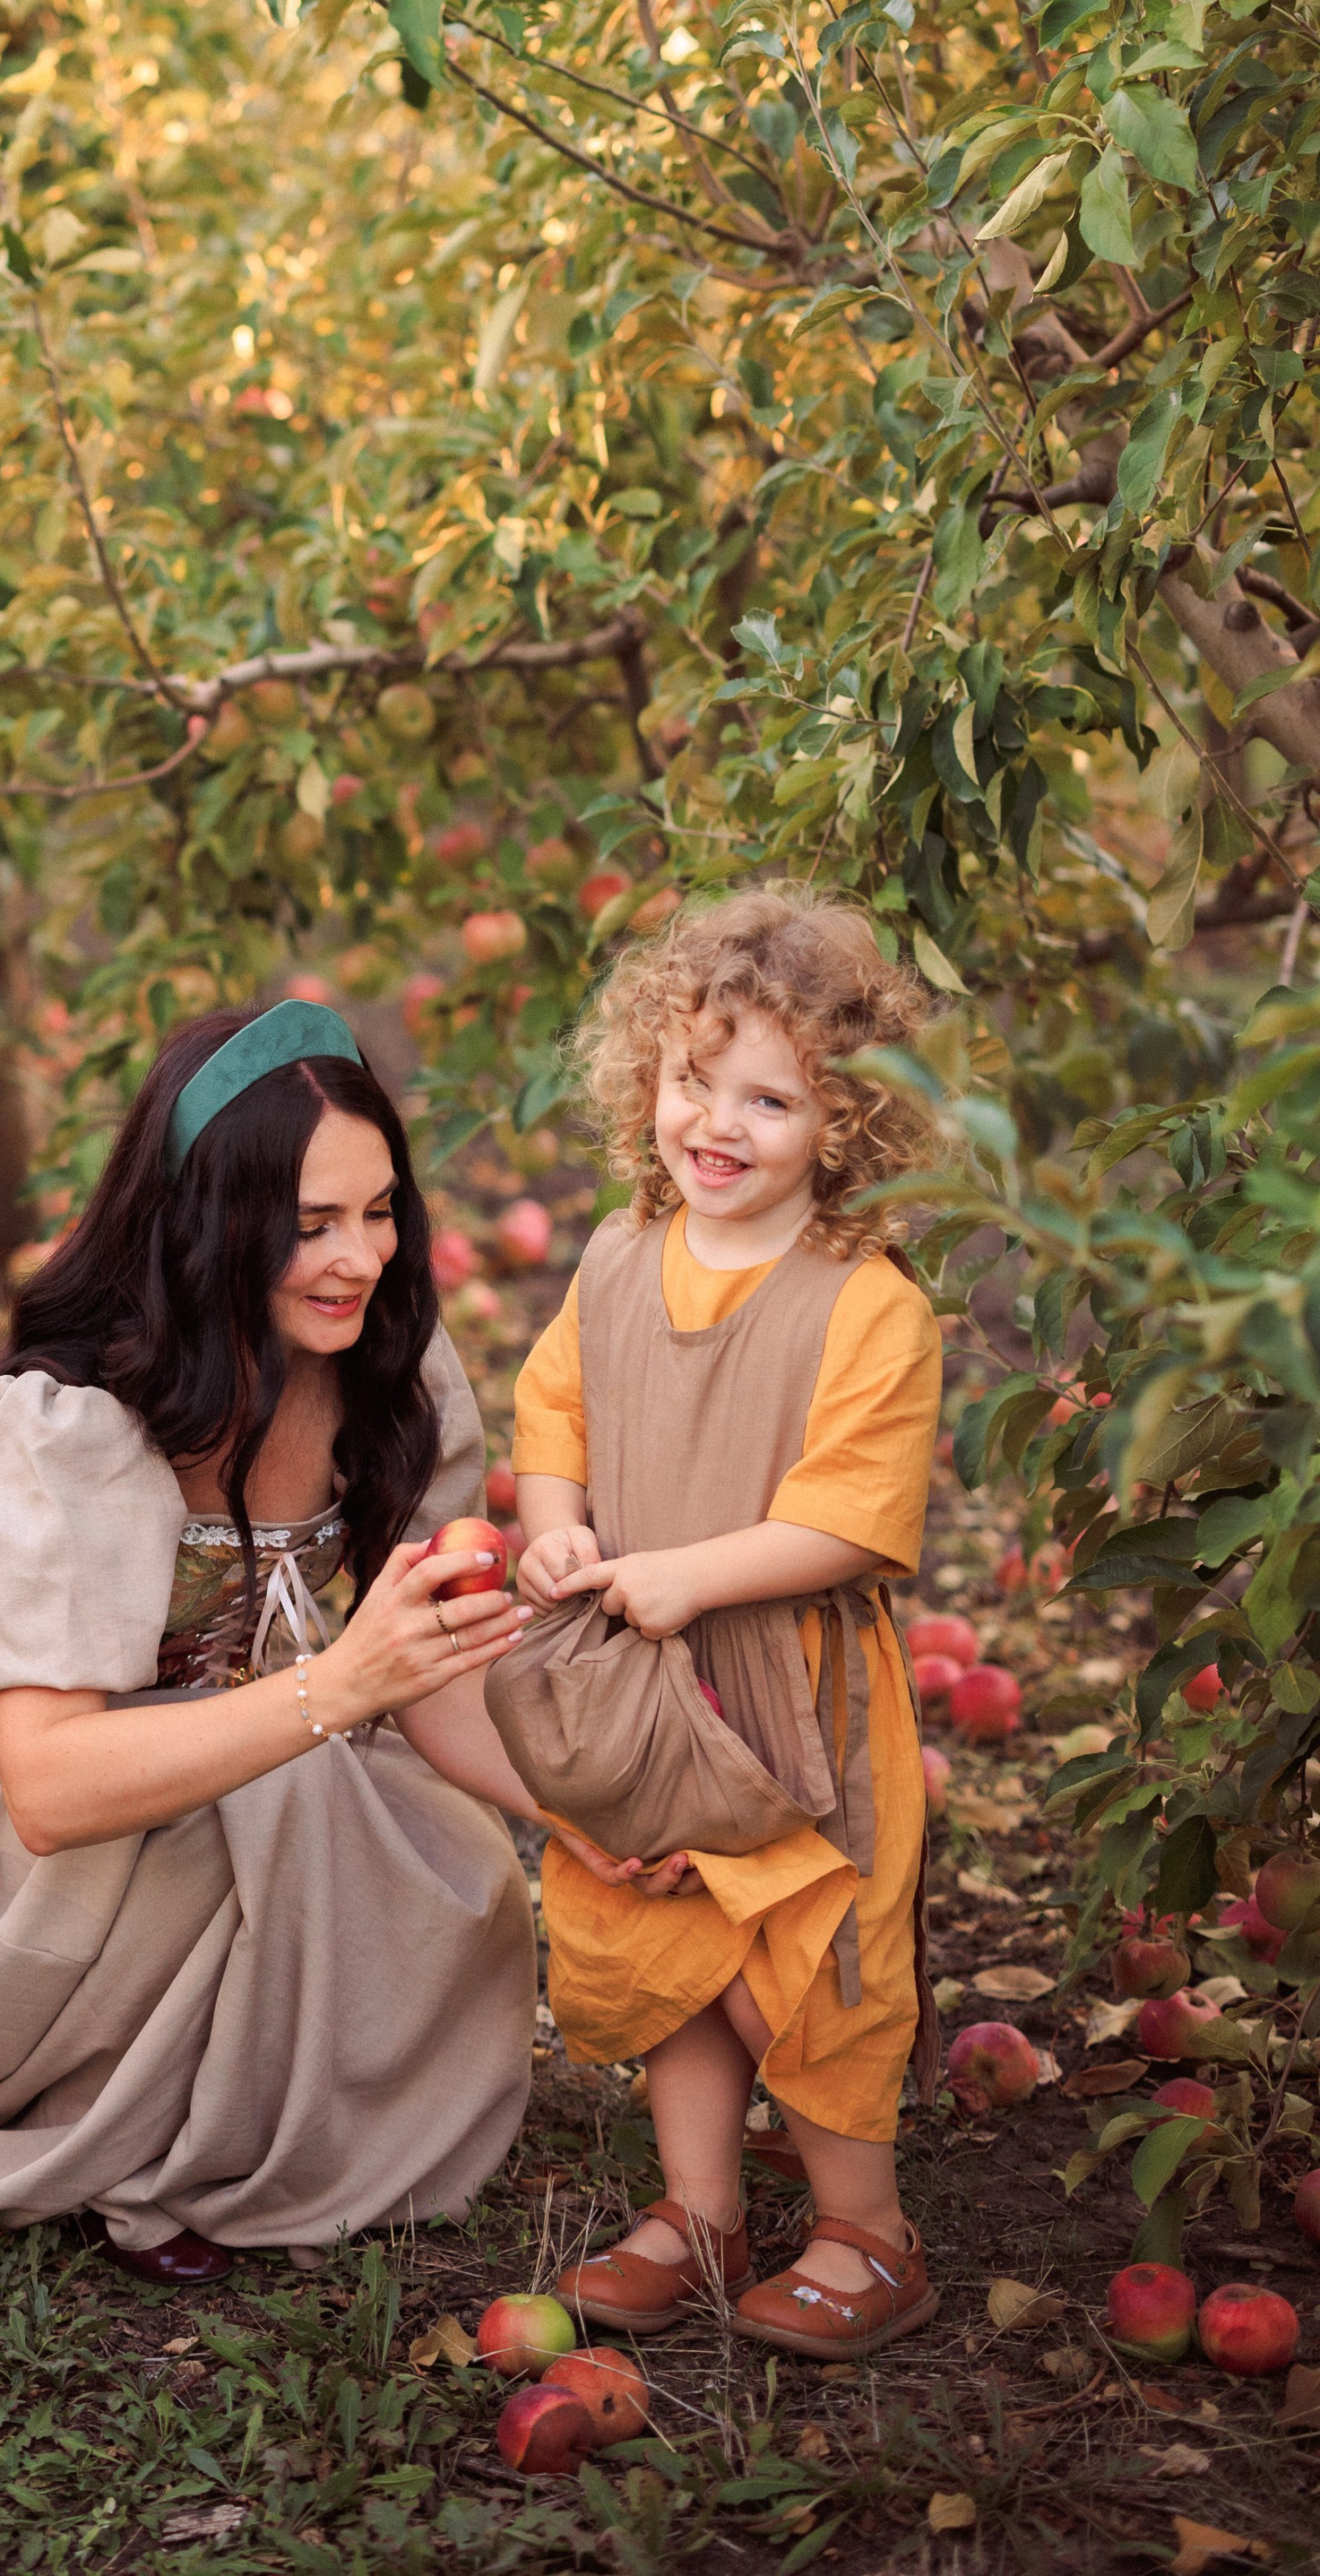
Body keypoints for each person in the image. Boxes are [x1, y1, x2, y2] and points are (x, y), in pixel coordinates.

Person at [0, 998, 542, 2283]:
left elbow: (436, 1688)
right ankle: (132, 2141)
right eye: (309, 1224)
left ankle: (248, 2125)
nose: (358, 1257)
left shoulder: (390, 1372)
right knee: (289, 1788)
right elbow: (48, 1790)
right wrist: (334, 1688)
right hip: (38, 1877)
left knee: (451, 1857)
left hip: (266, 1772)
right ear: (210, 1217)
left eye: (379, 1211)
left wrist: (599, 1813)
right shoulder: (67, 1425)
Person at [508, 889, 945, 2361]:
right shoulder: (623, 1255)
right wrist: (559, 1513)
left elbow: (856, 1512)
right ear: (651, 1077)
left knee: (808, 1957)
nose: (723, 1122)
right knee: (664, 1926)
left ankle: (865, 2229)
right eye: (699, 1080)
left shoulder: (867, 1303)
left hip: (786, 1693)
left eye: (773, 1098)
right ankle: (700, 2205)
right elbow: (553, 1399)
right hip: (645, 1681)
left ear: (847, 1124)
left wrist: (692, 1573)